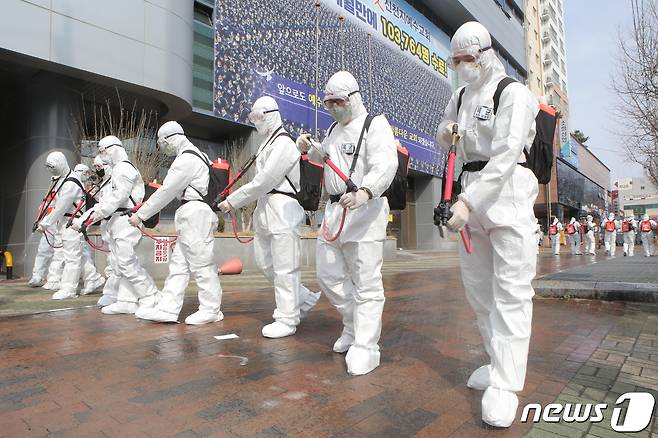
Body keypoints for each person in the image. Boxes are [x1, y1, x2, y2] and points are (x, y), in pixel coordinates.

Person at [436, 21, 539, 427]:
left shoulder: (512, 93)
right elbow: (447, 136)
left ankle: (507, 384)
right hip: (470, 192)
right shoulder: (460, 95)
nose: (461, 66)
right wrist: (446, 134)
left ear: (484, 54)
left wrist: (466, 202)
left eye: (466, 58)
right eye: (455, 59)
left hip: (507, 194)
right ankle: (498, 363)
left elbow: (506, 155)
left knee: (512, 292)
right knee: (480, 293)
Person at [297, 71, 397, 375]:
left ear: (352, 98)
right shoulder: (333, 128)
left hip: (364, 211)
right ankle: (353, 325)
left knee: (366, 281)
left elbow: (386, 164)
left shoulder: (374, 125)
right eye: (328, 102)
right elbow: (325, 155)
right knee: (328, 274)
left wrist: (366, 192)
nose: (332, 107)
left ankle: (367, 345)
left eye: (338, 101)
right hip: (335, 209)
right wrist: (307, 146)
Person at [218, 96, 320, 338]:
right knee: (265, 262)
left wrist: (233, 201)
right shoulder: (266, 144)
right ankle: (303, 299)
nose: (257, 122)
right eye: (254, 118)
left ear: (272, 114)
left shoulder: (284, 144)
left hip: (282, 206)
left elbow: (264, 181)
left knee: (285, 266)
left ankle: (287, 318)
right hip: (265, 207)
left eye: (260, 117)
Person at [128, 122, 224, 325]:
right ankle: (168, 308)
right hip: (192, 213)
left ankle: (211, 309)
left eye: (162, 143)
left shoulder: (186, 159)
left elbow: (167, 190)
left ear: (170, 138)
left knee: (202, 264)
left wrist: (141, 215)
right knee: (179, 265)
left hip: (195, 214)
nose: (163, 148)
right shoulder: (198, 155)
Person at [73, 137, 159, 315]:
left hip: (125, 220)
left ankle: (151, 295)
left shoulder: (124, 168)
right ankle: (126, 300)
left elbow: (118, 197)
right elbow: (108, 200)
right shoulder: (118, 170)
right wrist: (89, 217)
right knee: (119, 263)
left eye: (104, 150)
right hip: (118, 220)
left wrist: (91, 216)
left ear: (114, 148)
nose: (102, 156)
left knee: (126, 262)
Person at [37, 152, 90, 300]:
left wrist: (45, 223)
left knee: (72, 257)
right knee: (75, 255)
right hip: (66, 222)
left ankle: (69, 289)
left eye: (52, 166)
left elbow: (60, 207)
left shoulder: (70, 183)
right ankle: (93, 279)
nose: (51, 170)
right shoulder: (63, 180)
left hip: (72, 222)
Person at [92, 155, 121, 307]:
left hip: (115, 222)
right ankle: (115, 292)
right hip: (107, 223)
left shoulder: (114, 181)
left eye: (99, 167)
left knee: (117, 260)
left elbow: (109, 204)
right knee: (113, 258)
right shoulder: (103, 183)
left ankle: (114, 293)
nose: (98, 171)